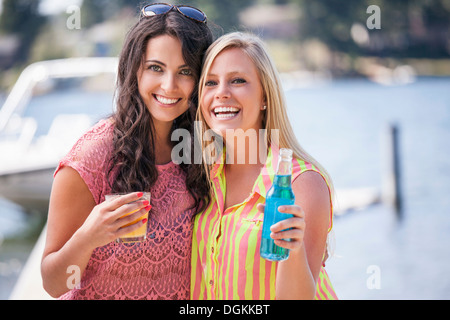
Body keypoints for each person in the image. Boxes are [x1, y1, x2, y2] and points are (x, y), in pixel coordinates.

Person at [41, 3, 213, 300]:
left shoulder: (205, 151)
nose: (169, 86)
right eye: (155, 68)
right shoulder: (92, 156)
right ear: (134, 69)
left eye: (185, 71)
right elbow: (54, 283)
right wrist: (88, 237)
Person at [191, 32, 337, 299]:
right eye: (210, 83)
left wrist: (292, 250)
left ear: (264, 98)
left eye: (237, 81)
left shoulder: (301, 185)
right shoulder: (202, 179)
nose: (221, 92)